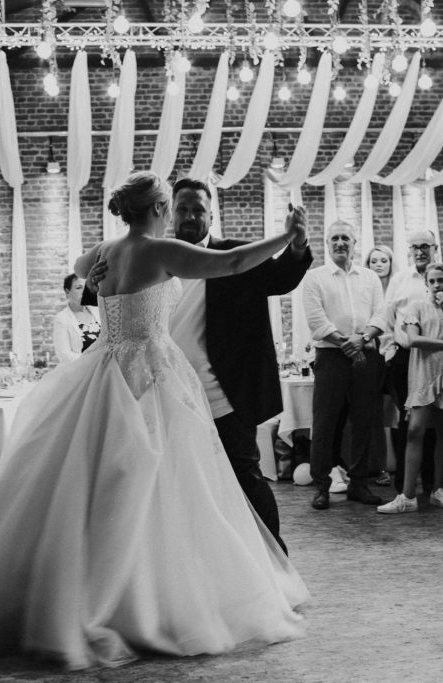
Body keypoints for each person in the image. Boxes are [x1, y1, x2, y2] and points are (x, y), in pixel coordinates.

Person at [0, 172, 309, 669]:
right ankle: (150, 595)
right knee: (170, 483)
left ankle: (85, 586)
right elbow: (233, 262)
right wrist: (284, 234)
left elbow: (79, 267)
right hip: (152, 375)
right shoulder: (160, 251)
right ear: (159, 209)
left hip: (104, 371)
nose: (177, 215)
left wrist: (96, 273)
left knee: (102, 481)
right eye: (171, 207)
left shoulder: (104, 251)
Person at [163, 177, 312, 551]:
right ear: (170, 214)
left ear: (211, 216)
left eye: (198, 209)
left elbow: (281, 278)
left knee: (245, 474)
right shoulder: (158, 259)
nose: (190, 216)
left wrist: (297, 245)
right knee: (179, 481)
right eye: (183, 209)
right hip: (169, 393)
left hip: (224, 392)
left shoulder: (234, 255)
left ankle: (274, 557)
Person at [302, 222, 386, 510]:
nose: (340, 243)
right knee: (325, 422)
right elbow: (316, 319)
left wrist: (362, 339)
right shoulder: (315, 277)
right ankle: (322, 486)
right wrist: (346, 344)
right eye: (335, 238)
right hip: (331, 357)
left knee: (363, 420)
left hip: (366, 354)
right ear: (327, 243)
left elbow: (381, 315)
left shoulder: (370, 277)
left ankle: (359, 483)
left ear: (354, 243)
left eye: (345, 238)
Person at [378, 265, 443, 514]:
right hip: (422, 372)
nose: (437, 285)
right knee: (415, 430)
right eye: (432, 281)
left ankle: (438, 489)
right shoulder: (416, 307)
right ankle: (407, 495)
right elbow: (413, 339)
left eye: (441, 280)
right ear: (426, 284)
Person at [366, 244, 396, 486]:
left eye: (383, 260)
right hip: (373, 355)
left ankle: (403, 465)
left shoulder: (397, 288)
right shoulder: (364, 288)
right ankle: (379, 467)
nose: (378, 265)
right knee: (374, 413)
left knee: (398, 413)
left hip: (396, 355)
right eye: (373, 261)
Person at [52, 273, 101, 363]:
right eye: (79, 288)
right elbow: (64, 355)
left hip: (105, 367)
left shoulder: (98, 312)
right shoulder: (62, 319)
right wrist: (92, 361)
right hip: (81, 369)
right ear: (67, 292)